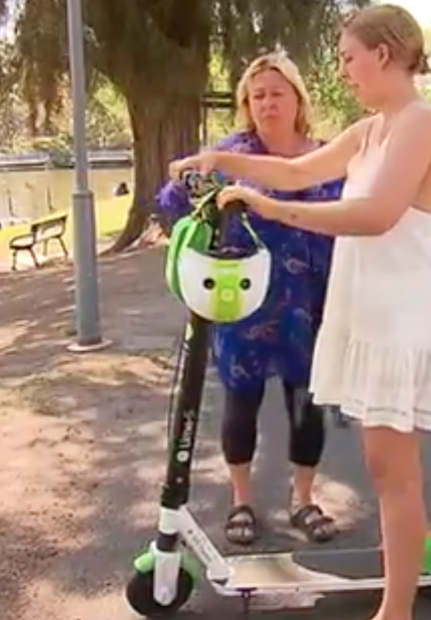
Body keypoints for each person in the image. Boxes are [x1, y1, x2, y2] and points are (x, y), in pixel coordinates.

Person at [168, 5, 431, 620]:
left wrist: (267, 208)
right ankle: (401, 590)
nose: (344, 70)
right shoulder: (372, 129)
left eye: (349, 57)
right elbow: (298, 170)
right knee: (387, 470)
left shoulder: (420, 123)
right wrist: (221, 162)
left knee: (394, 473)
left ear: (383, 54)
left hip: (400, 320)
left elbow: (375, 214)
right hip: (369, 315)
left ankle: (396, 611)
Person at [155, 51, 344, 546]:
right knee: (241, 406)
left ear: (298, 99)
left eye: (276, 92)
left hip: (312, 305)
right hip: (242, 307)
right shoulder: (228, 156)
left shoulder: (326, 157)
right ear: (245, 104)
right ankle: (241, 500)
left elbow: (359, 215)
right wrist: (186, 190)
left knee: (307, 407)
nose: (266, 103)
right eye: (256, 95)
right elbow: (171, 205)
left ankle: (303, 498)